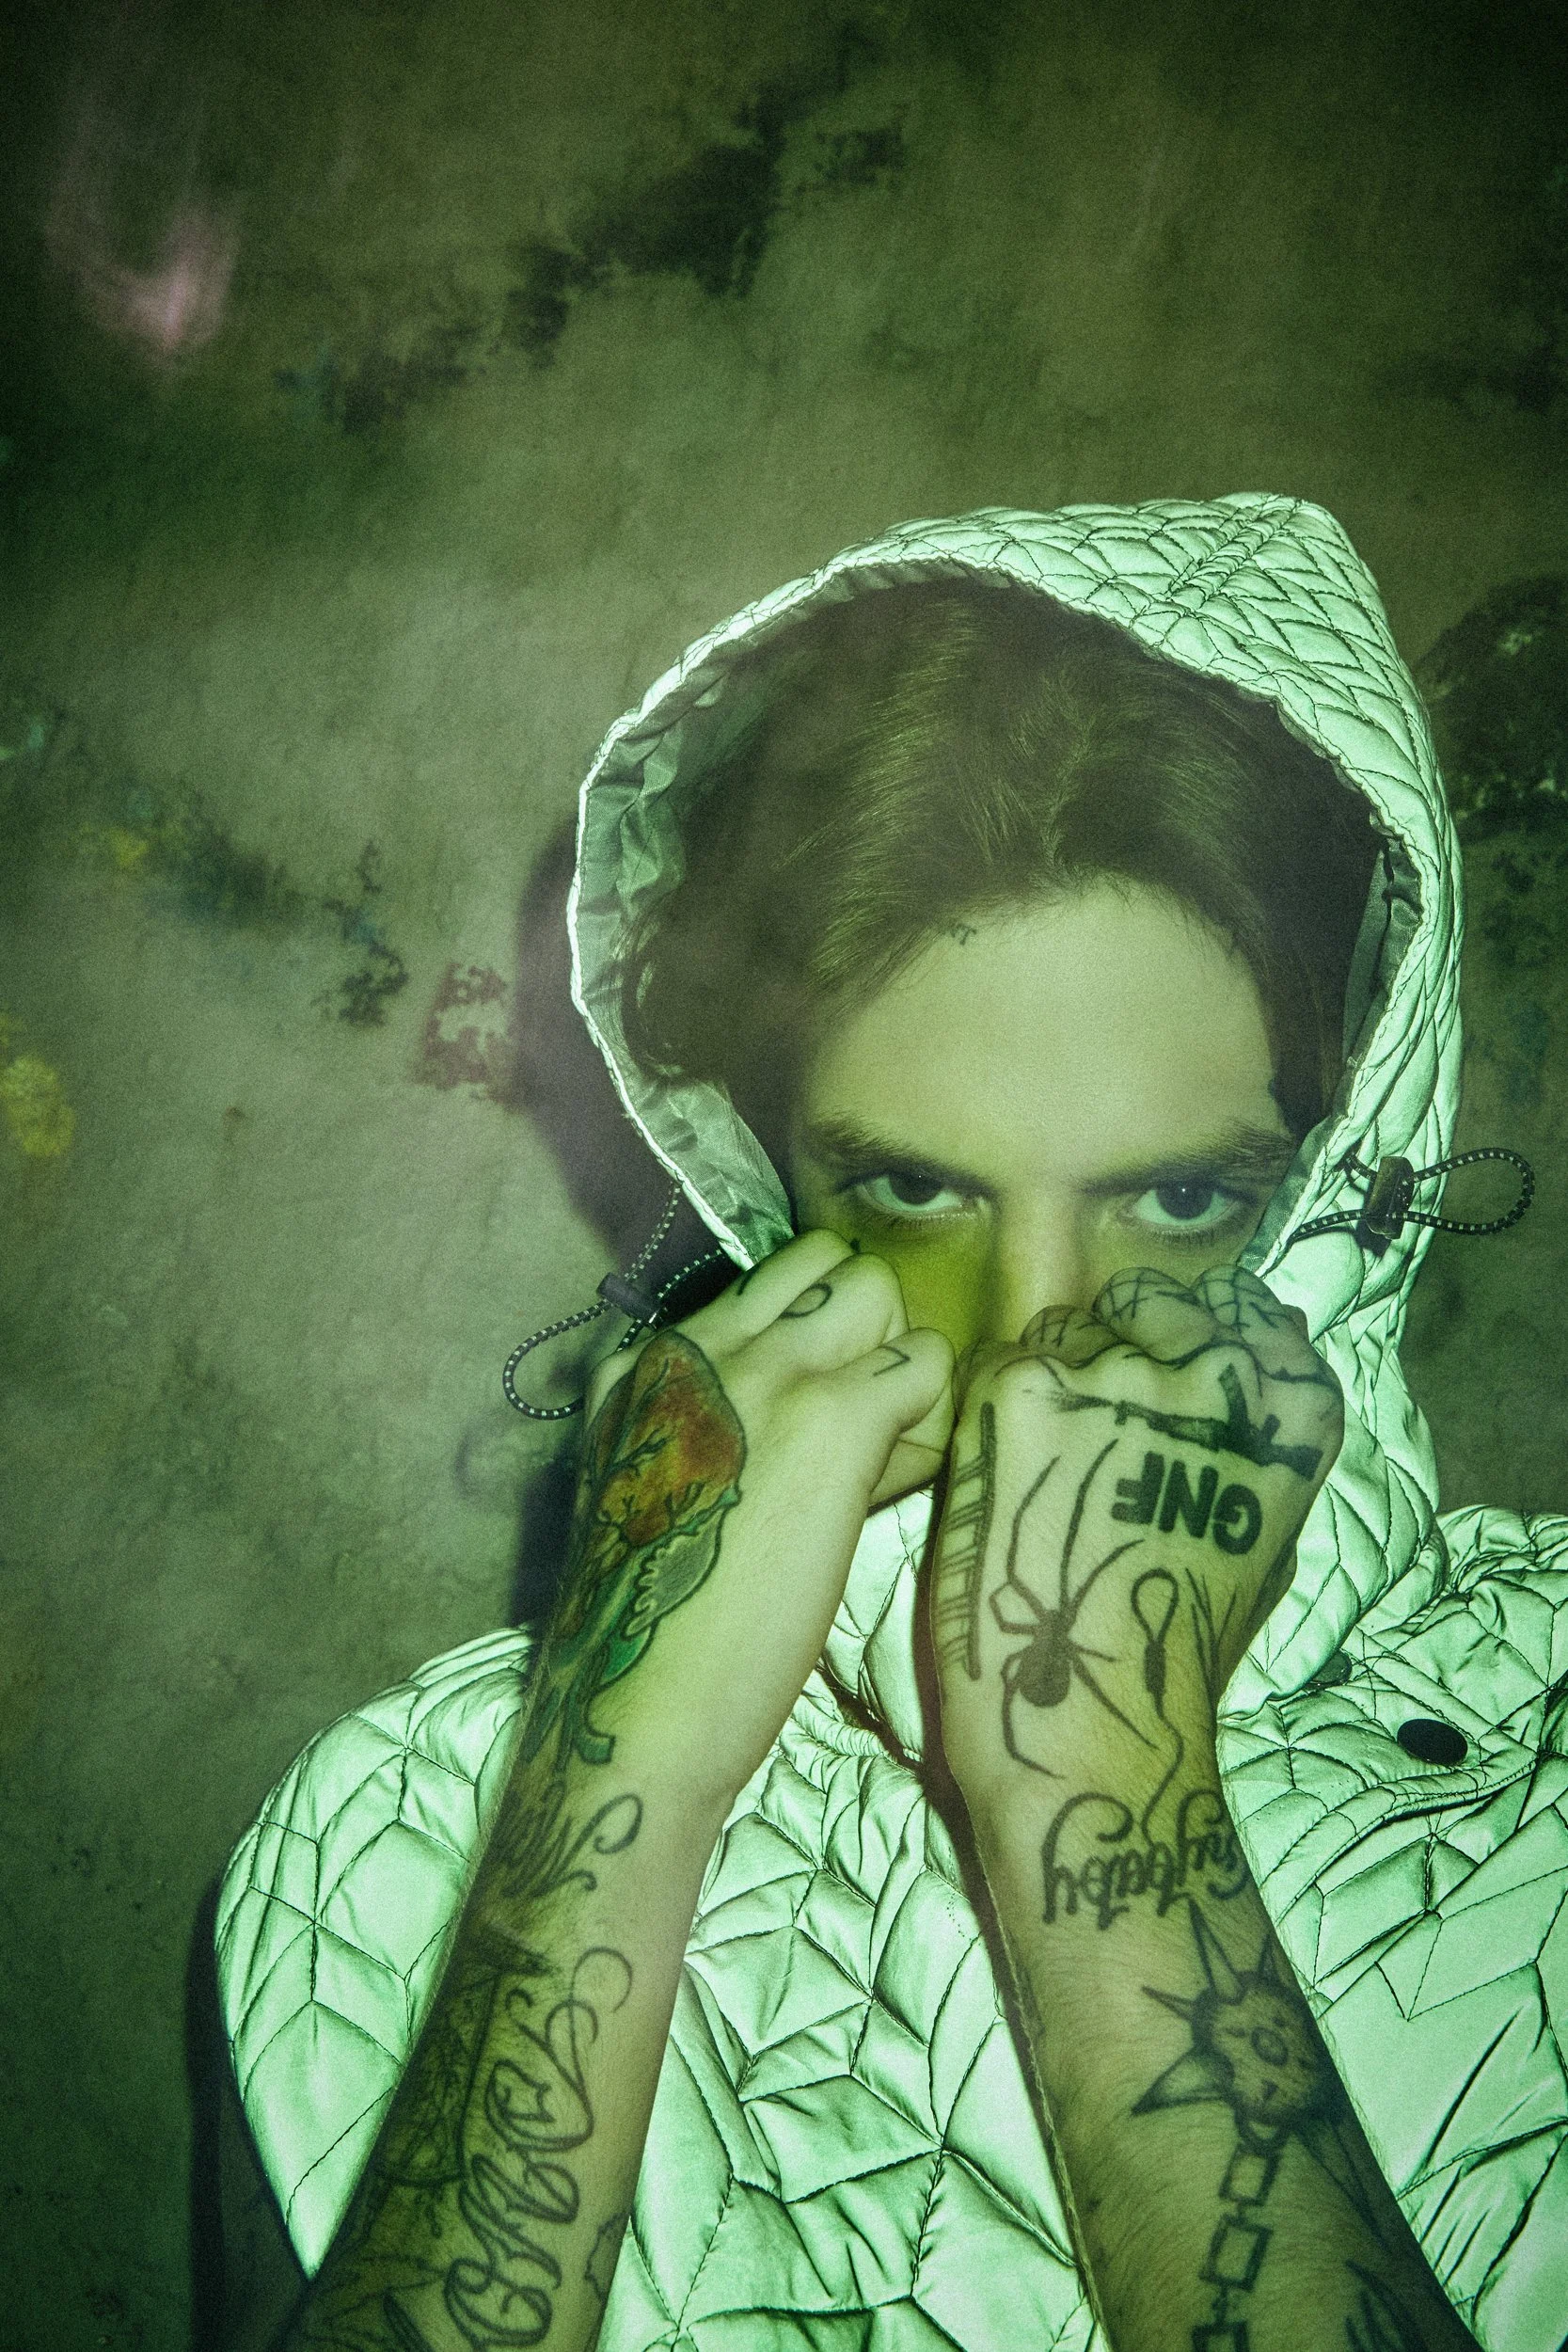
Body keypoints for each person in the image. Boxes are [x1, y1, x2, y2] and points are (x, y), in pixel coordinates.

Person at [216, 498, 1563, 2352]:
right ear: (761, 1177)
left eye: (1180, 1200)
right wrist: (609, 1783)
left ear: (1349, 1179)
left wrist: (1108, 1794)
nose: (1028, 1346)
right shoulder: (406, 1822)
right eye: (915, 1191)